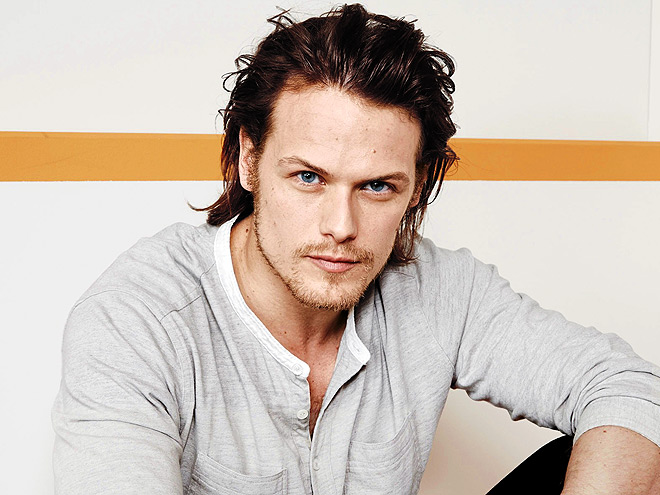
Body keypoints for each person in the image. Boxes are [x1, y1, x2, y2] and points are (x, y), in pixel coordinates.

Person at [52, 4, 660, 494]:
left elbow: (628, 386)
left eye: (376, 187)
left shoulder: (437, 288)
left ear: (416, 186)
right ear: (248, 159)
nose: (341, 227)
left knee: (623, 444)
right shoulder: (136, 322)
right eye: (308, 178)